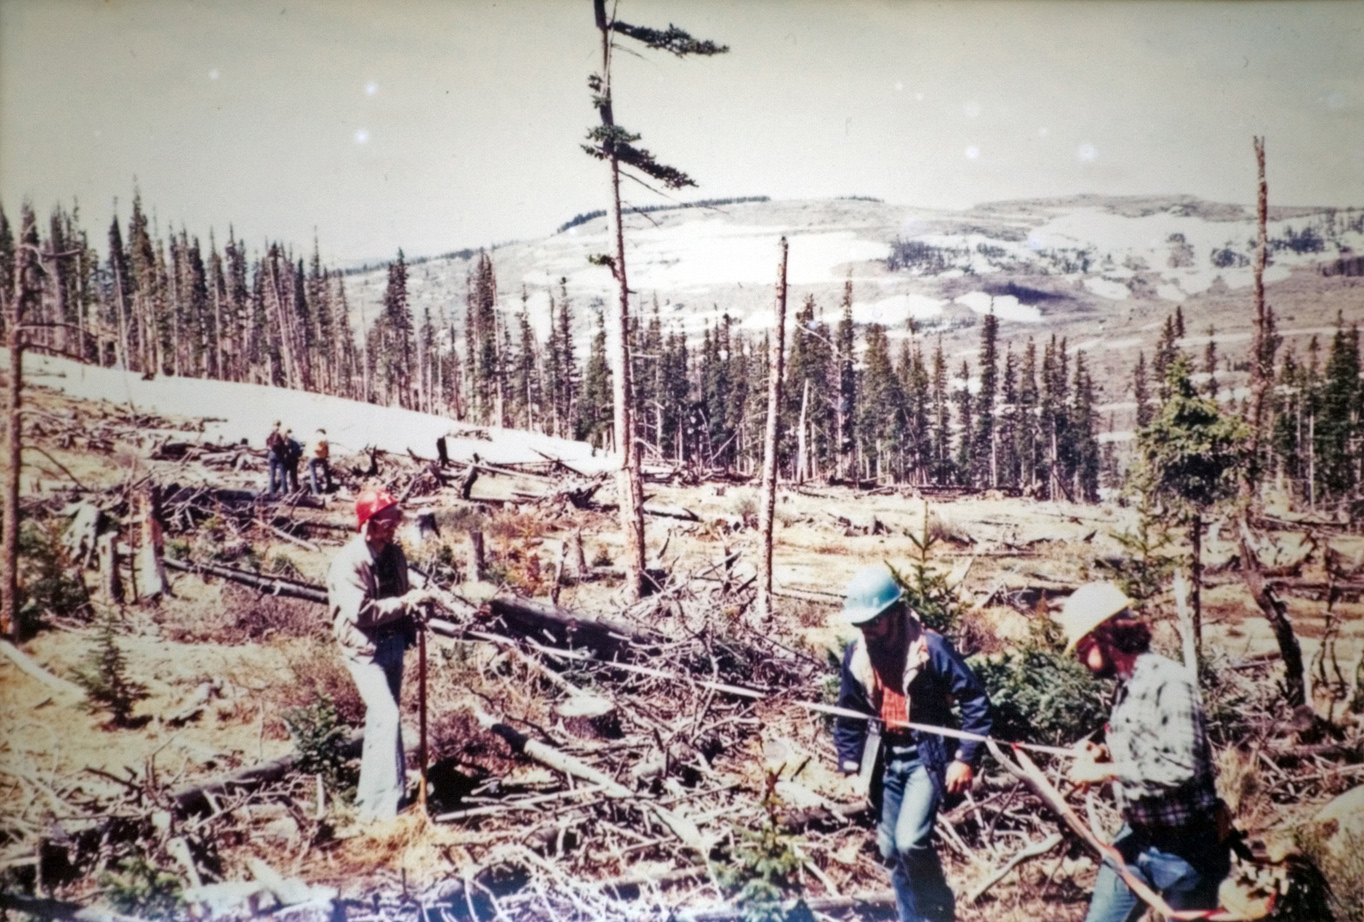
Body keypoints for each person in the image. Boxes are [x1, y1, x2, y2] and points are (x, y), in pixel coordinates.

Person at [1059, 582, 1230, 922]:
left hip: (1188, 850)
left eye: (1081, 645)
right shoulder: (1126, 685)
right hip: (1134, 839)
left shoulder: (1170, 682)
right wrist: (1102, 753)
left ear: (1104, 635)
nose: (1078, 655)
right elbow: (1144, 747)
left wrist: (1106, 772)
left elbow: (1181, 766)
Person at [833, 565, 993, 922]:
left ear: (893, 613)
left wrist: (965, 758)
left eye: (874, 622)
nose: (868, 631)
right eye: (861, 625)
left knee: (910, 841)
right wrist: (848, 761)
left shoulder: (929, 649)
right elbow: (849, 710)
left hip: (926, 756)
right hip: (886, 758)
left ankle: (939, 911)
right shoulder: (856, 656)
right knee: (890, 849)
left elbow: (976, 702)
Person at [327, 488, 437, 821]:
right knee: (387, 717)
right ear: (367, 525)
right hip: (364, 648)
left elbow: (403, 595)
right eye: (386, 524)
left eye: (395, 523)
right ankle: (387, 809)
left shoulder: (394, 555)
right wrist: (406, 603)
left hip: (392, 644)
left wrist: (419, 608)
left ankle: (374, 802)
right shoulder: (349, 562)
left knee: (381, 722)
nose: (392, 529)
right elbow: (361, 613)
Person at [307, 428, 332, 494]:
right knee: (327, 473)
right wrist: (325, 456)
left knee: (313, 474)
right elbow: (327, 450)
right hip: (322, 457)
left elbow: (308, 448)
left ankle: (316, 492)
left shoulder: (313, 437)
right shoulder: (325, 438)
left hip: (313, 456)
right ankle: (329, 489)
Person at [265, 421, 287, 494]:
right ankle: (284, 491)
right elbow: (284, 444)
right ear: (279, 424)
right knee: (283, 474)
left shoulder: (270, 432)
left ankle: (271, 491)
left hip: (271, 454)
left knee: (272, 474)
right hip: (279, 454)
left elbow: (267, 443)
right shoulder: (282, 432)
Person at [283, 428, 303, 493]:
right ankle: (294, 489)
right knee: (293, 476)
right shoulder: (297, 440)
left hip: (287, 460)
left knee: (284, 475)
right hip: (294, 459)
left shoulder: (285, 440)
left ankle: (285, 490)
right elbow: (300, 451)